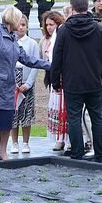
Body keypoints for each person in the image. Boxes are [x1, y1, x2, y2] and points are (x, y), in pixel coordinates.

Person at [0, 6, 50, 162]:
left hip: (7, 88)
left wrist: (51, 65)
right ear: (12, 20)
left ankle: (3, 152)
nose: (20, 24)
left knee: (6, 120)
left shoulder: (12, 38)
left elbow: (27, 59)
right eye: (18, 20)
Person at [50, 0, 102, 163]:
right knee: (97, 117)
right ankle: (101, 155)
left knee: (74, 118)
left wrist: (55, 81)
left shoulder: (64, 30)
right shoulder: (98, 28)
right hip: (93, 80)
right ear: (88, 7)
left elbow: (57, 57)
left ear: (72, 8)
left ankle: (77, 154)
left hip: (72, 81)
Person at [10, 14, 40, 154]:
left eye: (23, 25)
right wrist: (12, 82)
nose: (20, 27)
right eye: (18, 24)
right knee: (13, 113)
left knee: (27, 112)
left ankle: (26, 142)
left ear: (27, 27)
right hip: (13, 81)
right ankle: (14, 143)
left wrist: (28, 83)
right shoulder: (10, 42)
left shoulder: (32, 43)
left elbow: (35, 64)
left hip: (27, 80)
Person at [39, 11, 67, 151]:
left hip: (64, 78)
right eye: (47, 25)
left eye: (52, 24)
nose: (49, 27)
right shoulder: (44, 41)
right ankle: (59, 139)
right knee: (56, 108)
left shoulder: (63, 37)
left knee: (65, 109)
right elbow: (40, 59)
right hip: (52, 78)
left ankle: (68, 139)